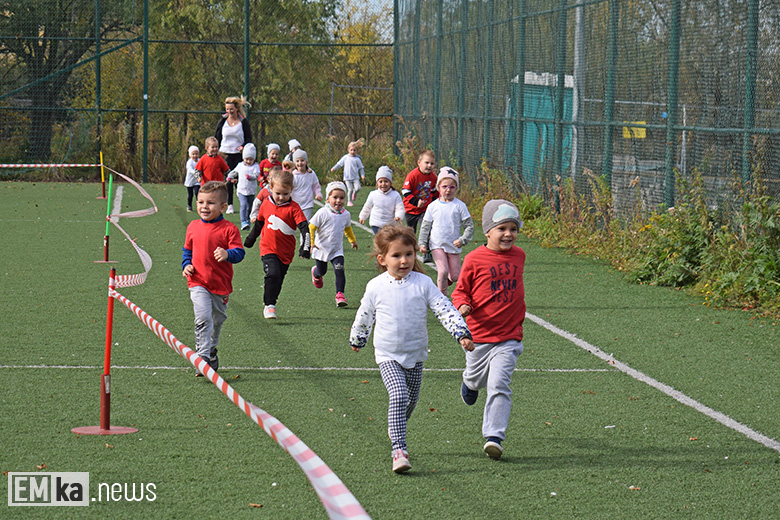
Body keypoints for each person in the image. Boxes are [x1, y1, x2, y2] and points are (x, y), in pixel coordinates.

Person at [349, 224, 474, 473]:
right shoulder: (376, 286)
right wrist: (358, 337)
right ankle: (399, 449)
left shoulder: (423, 283)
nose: (404, 260)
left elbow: (444, 307)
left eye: (409, 254)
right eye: (396, 255)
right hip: (387, 354)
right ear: (383, 259)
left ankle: (395, 426)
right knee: (399, 395)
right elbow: (365, 313)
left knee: (409, 402)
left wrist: (461, 332)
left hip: (416, 354)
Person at [451, 199, 526, 460]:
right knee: (476, 378)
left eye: (513, 229)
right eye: (502, 228)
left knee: (499, 384)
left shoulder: (519, 255)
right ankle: (469, 383)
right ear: (487, 231)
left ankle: (494, 436)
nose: (508, 234)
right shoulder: (473, 259)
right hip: (479, 337)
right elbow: (460, 291)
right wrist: (462, 306)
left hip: (509, 337)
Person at [181, 181, 245, 376]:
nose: (204, 207)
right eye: (200, 202)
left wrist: (227, 254)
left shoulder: (229, 229)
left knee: (217, 320)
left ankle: (211, 349)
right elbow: (187, 251)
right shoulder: (192, 226)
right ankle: (202, 358)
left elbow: (239, 253)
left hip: (220, 285)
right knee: (202, 318)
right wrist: (186, 265)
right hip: (198, 282)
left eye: (210, 203)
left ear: (223, 207)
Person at [243, 168, 311, 319]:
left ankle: (272, 301)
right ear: (271, 188)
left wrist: (305, 247)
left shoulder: (294, 208)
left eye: (285, 194)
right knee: (272, 273)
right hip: (267, 249)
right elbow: (259, 224)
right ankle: (269, 305)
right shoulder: (266, 204)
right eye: (278, 193)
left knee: (278, 279)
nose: (281, 197)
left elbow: (304, 228)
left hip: (286, 252)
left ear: (291, 190)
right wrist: (250, 239)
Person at [418, 167, 474, 294]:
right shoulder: (433, 206)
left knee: (454, 276)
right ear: (438, 187)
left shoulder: (460, 206)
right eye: (444, 187)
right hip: (437, 244)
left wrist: (462, 240)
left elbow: (469, 226)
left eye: (452, 187)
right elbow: (425, 226)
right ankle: (441, 294)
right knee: (442, 271)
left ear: (456, 188)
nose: (448, 190)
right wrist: (422, 243)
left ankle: (446, 280)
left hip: (453, 245)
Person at [310, 181, 358, 307]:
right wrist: (312, 242)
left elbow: (347, 228)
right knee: (322, 271)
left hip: (337, 250)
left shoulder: (346, 214)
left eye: (341, 198)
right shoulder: (322, 212)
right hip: (321, 249)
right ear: (328, 199)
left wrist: (352, 240)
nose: (338, 201)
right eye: (335, 197)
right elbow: (312, 227)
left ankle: (340, 294)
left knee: (339, 269)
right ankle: (316, 273)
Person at [215, 96, 253, 214]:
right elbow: (217, 136)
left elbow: (248, 137)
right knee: (228, 179)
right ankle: (230, 204)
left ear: (236, 108)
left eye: (231, 109)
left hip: (238, 155)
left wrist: (243, 147)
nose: (229, 111)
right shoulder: (222, 121)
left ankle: (244, 203)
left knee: (239, 179)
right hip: (225, 154)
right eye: (227, 109)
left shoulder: (243, 122)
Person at [358, 166, 405, 234]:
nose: (383, 184)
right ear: (377, 183)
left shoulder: (395, 195)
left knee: (388, 241)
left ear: (390, 182)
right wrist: (363, 217)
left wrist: (398, 216)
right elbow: (367, 207)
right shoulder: (373, 194)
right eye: (381, 181)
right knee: (380, 241)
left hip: (390, 224)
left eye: (386, 181)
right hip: (376, 223)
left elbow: (400, 208)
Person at [401, 149, 438, 233]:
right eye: (427, 163)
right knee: (410, 233)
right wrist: (416, 202)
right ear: (419, 163)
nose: (429, 166)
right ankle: (411, 246)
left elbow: (434, 191)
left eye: (432, 164)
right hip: (410, 209)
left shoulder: (433, 177)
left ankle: (425, 245)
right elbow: (405, 191)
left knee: (426, 230)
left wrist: (434, 204)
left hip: (425, 209)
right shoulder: (413, 175)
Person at [227, 143, 260, 231]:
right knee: (244, 205)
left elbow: (256, 175)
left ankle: (248, 220)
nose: (248, 161)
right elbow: (234, 172)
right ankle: (243, 221)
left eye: (251, 159)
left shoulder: (255, 166)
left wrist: (251, 177)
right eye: (247, 159)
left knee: (250, 206)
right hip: (241, 190)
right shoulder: (240, 165)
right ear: (243, 158)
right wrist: (230, 177)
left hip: (251, 190)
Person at [330, 138, 366, 207]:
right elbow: (339, 164)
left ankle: (354, 193)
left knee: (358, 188)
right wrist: (334, 168)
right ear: (348, 150)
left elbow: (361, 168)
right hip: (347, 177)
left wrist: (362, 175)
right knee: (350, 189)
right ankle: (349, 201)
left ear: (357, 151)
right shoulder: (345, 157)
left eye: (354, 150)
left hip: (355, 177)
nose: (352, 152)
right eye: (351, 150)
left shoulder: (357, 159)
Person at [291, 149, 322, 220]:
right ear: (294, 163)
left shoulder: (311, 174)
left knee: (306, 223)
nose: (300, 163)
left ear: (306, 162)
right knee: (294, 224)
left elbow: (315, 185)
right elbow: (289, 188)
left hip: (307, 204)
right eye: (297, 161)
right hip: (295, 203)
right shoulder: (293, 175)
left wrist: (318, 194)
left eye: (302, 160)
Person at [184, 145, 200, 212]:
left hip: (197, 181)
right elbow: (190, 170)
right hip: (190, 181)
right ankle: (189, 205)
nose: (195, 156)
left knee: (197, 193)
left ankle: (199, 205)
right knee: (190, 195)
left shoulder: (200, 161)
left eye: (196, 154)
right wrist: (196, 174)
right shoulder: (189, 162)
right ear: (190, 155)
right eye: (193, 154)